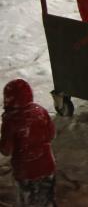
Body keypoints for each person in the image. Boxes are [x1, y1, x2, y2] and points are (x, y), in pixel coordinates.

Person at [1, 79, 56, 207]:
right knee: (47, 199)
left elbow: (6, 150)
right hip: (47, 167)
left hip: (25, 171)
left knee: (28, 202)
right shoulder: (41, 112)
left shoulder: (10, 120)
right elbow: (51, 134)